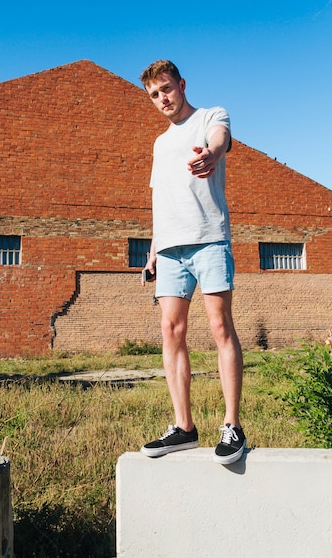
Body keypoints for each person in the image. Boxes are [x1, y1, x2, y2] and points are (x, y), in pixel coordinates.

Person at [139, 60, 246, 465]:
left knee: (220, 326)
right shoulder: (159, 143)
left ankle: (232, 424)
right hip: (169, 248)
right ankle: (183, 427)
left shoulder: (210, 117)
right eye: (154, 94)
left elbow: (220, 140)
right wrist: (152, 249)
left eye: (166, 88)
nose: (162, 99)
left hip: (208, 240)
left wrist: (211, 155)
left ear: (181, 84)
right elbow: (160, 199)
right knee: (171, 331)